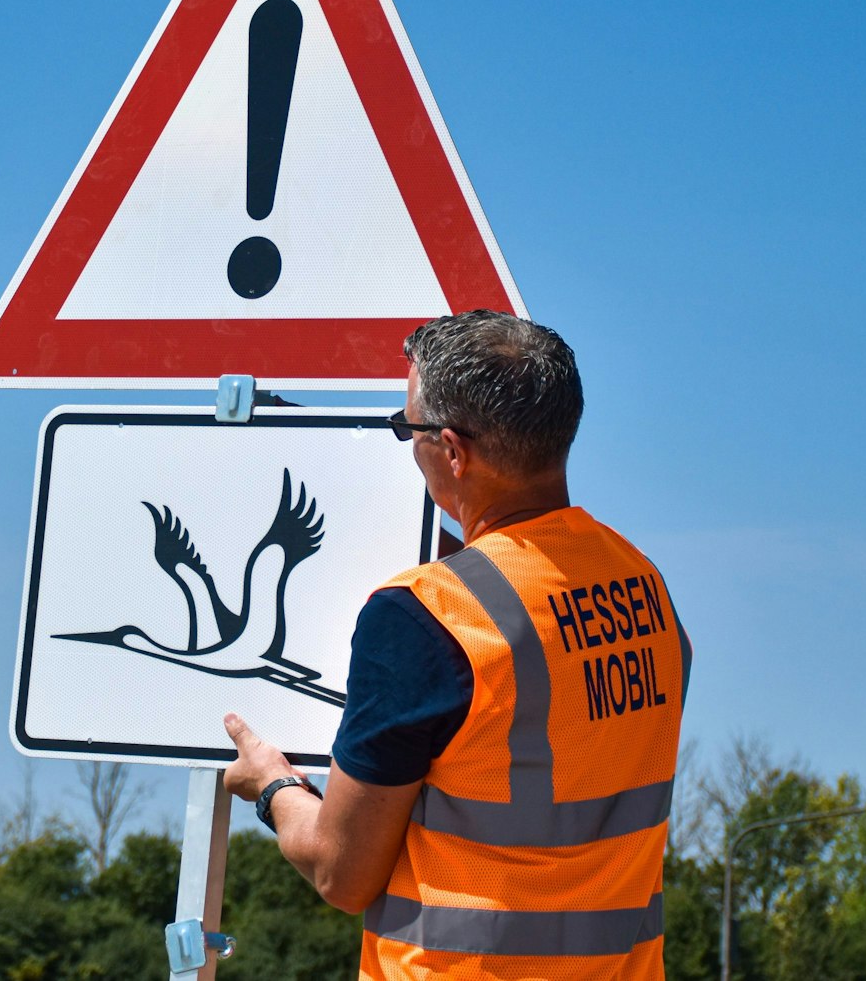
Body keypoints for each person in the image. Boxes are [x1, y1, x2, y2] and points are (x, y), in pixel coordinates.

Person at [223, 310, 692, 980]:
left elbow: (341, 872)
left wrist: (272, 784)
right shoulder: (646, 586)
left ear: (451, 450)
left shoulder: (422, 619)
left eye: (405, 427)